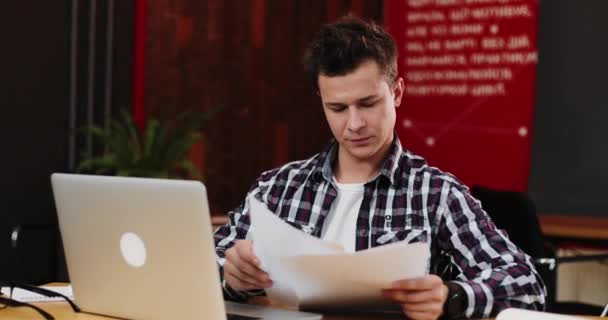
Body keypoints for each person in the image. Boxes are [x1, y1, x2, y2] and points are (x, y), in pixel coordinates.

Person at [214, 16, 546, 320]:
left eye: (368, 103)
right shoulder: (277, 188)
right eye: (338, 108)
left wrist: (452, 296)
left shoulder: (434, 194)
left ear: (397, 92)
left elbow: (527, 284)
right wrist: (232, 276)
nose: (354, 124)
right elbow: (200, 266)